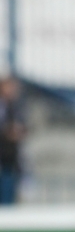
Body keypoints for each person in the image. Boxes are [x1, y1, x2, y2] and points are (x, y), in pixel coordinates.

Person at [0, 76, 26, 205]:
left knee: (10, 194)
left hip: (11, 158)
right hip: (3, 156)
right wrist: (8, 133)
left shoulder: (15, 107)